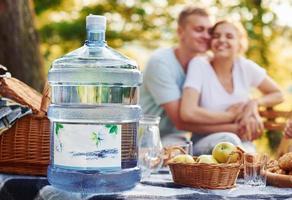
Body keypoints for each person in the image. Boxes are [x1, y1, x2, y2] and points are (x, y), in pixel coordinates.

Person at [140, 7, 241, 145]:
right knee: (181, 151)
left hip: (181, 137)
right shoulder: (161, 63)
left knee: (227, 142)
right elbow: (181, 122)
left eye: (209, 31)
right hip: (150, 139)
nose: (206, 36)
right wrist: (235, 127)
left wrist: (251, 109)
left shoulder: (206, 63)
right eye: (199, 30)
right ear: (180, 32)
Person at [180, 20, 284, 155]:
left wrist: (253, 103)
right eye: (216, 36)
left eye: (229, 36)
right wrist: (231, 116)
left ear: (240, 43)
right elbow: (188, 112)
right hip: (204, 142)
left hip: (242, 142)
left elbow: (278, 94)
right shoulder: (199, 65)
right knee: (230, 140)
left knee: (250, 158)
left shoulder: (246, 67)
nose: (221, 40)